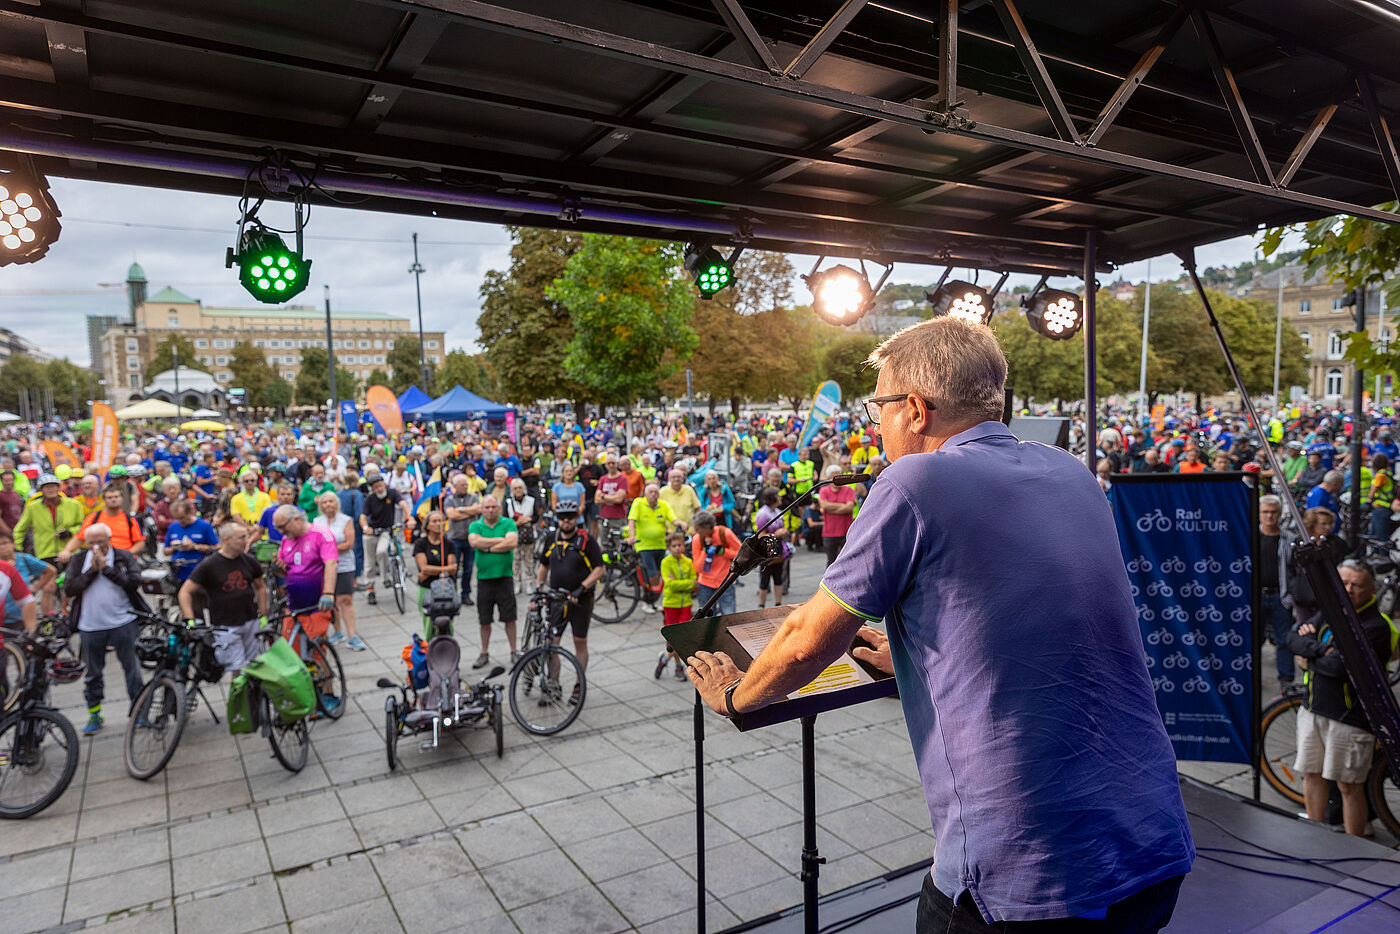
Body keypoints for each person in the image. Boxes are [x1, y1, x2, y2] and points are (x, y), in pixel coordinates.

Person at [685, 318, 1191, 931]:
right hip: (1150, 837)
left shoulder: (914, 480)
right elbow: (1031, 629)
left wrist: (735, 696)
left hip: (1027, 866)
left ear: (916, 410)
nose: (876, 426)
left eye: (878, 409)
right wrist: (908, 662)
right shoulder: (1072, 473)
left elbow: (804, 642)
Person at [1287, 559, 1397, 837]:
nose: (1347, 589)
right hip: (1313, 709)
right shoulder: (1332, 610)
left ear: (1372, 590)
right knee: (1311, 774)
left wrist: (1308, 656)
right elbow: (1291, 639)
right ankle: (1315, 832)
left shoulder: (1375, 625)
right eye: (1343, 582)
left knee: (1348, 786)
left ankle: (1354, 843)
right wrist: (1321, 651)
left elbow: (1338, 668)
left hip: (1350, 718)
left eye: (1356, 585)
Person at [62, 522, 150, 735]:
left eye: (100, 542)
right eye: (90, 543)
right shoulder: (79, 560)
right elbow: (69, 588)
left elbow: (133, 583)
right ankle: (94, 713)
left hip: (123, 622)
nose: (95, 547)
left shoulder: (122, 557)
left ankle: (138, 711)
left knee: (132, 669)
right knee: (93, 672)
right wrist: (92, 571)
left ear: (108, 541)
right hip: (90, 626)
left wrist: (107, 570)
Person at [179, 521, 268, 675]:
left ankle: (252, 698)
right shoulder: (209, 565)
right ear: (227, 539)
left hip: (250, 622)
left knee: (252, 667)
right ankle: (238, 699)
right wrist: (189, 619)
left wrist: (263, 613)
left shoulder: (249, 561)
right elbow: (185, 592)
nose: (246, 541)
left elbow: (260, 586)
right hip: (226, 626)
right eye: (241, 538)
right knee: (238, 669)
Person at [536, 502, 604, 679]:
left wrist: (581, 588)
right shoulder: (552, 538)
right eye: (562, 517)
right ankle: (554, 683)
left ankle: (579, 683)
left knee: (579, 642)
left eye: (570, 517)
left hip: (581, 600)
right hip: (557, 599)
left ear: (577, 518)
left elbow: (600, 569)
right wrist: (538, 588)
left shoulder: (587, 539)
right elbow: (543, 565)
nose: (566, 521)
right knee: (552, 643)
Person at [468, 495, 518, 667]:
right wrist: (499, 542)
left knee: (509, 618)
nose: (490, 510)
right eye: (487, 507)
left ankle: (513, 650)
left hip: (504, 577)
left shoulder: (508, 523)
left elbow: (512, 542)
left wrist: (486, 547)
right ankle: (484, 652)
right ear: (482, 509)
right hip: (484, 579)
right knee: (484, 620)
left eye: (493, 507)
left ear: (499, 508)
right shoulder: (475, 525)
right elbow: (474, 542)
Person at [314, 492, 363, 651]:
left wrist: (328, 550)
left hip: (344, 565)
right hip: (325, 567)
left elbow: (349, 544)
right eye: (325, 502)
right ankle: (337, 631)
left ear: (336, 503)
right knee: (332, 600)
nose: (328, 504)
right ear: (321, 506)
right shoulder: (317, 522)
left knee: (346, 600)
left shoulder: (345, 520)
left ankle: (353, 635)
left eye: (331, 501)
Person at [272, 505, 338, 615]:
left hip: (317, 603)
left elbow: (331, 564)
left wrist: (328, 593)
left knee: (315, 632)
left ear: (296, 520)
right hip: (294, 603)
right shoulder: (286, 539)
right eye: (277, 528)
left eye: (282, 527)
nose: (280, 531)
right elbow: (284, 572)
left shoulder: (320, 534)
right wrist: (277, 568)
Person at [360, 473, 412, 606]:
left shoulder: (392, 493)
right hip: (372, 532)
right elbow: (363, 516)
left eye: (380, 485)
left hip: (386, 530)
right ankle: (370, 589)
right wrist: (366, 527)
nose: (379, 489)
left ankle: (386, 577)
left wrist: (409, 517)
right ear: (372, 488)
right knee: (369, 563)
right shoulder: (370, 499)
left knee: (382, 551)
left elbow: (403, 504)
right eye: (376, 487)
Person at [627, 481, 679, 613]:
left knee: (659, 574)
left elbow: (673, 518)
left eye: (656, 492)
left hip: (660, 545)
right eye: (651, 492)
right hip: (644, 545)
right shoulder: (639, 503)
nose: (654, 495)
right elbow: (632, 521)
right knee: (651, 574)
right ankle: (648, 601)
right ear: (645, 494)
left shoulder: (663, 505)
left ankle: (653, 601)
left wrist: (682, 524)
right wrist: (632, 536)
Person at [1258, 495, 1292, 687]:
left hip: (1281, 596)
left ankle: (1286, 680)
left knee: (1284, 639)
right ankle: (1252, 678)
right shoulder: (1250, 536)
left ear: (1279, 514)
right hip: (1257, 597)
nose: (1269, 516)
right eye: (1265, 512)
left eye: (1273, 512)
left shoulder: (1288, 539)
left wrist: (1292, 594)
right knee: (1255, 640)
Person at [654, 529, 695, 681]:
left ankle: (665, 659)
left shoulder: (688, 561)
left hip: (686, 604)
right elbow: (670, 585)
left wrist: (680, 583)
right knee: (673, 638)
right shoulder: (665, 562)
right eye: (674, 546)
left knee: (682, 638)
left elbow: (694, 584)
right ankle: (678, 667)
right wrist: (686, 583)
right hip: (671, 604)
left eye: (680, 545)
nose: (678, 548)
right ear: (669, 548)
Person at [413, 510, 458, 633]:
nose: (439, 524)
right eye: (435, 521)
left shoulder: (449, 544)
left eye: (441, 521)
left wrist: (430, 571)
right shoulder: (420, 544)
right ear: (427, 525)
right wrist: (444, 569)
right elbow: (424, 568)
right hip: (427, 588)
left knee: (448, 624)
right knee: (429, 626)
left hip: (447, 588)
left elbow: (453, 569)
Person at [690, 510, 741, 618]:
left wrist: (724, 552)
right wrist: (705, 550)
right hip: (705, 583)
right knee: (706, 618)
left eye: (698, 528)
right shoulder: (697, 539)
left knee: (729, 615)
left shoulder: (724, 533)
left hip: (726, 581)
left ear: (708, 526)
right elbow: (697, 568)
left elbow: (741, 554)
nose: (695, 531)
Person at [443, 473, 482, 607]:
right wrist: (469, 512)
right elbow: (451, 515)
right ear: (455, 486)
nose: (465, 487)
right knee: (453, 568)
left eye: (466, 484)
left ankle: (465, 594)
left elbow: (478, 509)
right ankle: (452, 594)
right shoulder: (449, 500)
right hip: (455, 538)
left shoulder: (473, 497)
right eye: (462, 485)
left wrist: (459, 510)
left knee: (468, 568)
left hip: (470, 538)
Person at [0, 529, 51, 628]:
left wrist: (36, 588)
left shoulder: (24, 559)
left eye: (5, 543)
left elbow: (50, 571)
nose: (2, 547)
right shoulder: (3, 568)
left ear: (13, 544)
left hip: (21, 617)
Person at [163, 498, 218, 582]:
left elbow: (216, 548)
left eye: (182, 518)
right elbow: (165, 551)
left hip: (198, 571)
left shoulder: (204, 526)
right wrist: (175, 548)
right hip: (178, 572)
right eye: (176, 518)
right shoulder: (173, 526)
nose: (180, 521)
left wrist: (195, 546)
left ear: (190, 513)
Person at [752, 487, 789, 608]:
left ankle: (778, 604)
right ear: (772, 498)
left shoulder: (777, 511)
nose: (780, 498)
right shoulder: (763, 514)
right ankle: (761, 605)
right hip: (767, 551)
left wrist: (783, 531)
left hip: (778, 549)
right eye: (778, 496)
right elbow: (760, 535)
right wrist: (775, 534)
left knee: (778, 576)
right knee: (765, 578)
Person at [816, 464, 857, 565]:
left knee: (847, 561)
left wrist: (831, 507)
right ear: (829, 478)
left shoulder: (849, 490)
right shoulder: (824, 490)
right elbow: (824, 506)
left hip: (846, 530)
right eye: (833, 477)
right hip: (829, 532)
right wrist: (842, 506)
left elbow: (849, 508)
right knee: (831, 561)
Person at [505, 478, 537, 590]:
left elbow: (536, 517)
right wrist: (516, 523)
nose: (518, 490)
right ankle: (516, 582)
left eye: (520, 488)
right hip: (514, 534)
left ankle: (529, 582)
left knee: (529, 559)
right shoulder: (508, 502)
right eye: (515, 488)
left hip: (528, 533)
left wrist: (528, 519)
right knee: (515, 559)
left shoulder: (531, 500)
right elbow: (505, 519)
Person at [596, 456, 629, 546]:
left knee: (619, 544)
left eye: (613, 463)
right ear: (606, 465)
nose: (611, 465)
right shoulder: (603, 479)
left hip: (619, 517)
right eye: (609, 463)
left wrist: (603, 496)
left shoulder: (622, 479)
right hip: (604, 517)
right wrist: (613, 497)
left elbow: (619, 499)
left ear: (617, 464)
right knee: (604, 544)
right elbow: (597, 499)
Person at [658, 467, 701, 532]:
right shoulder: (662, 491)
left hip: (688, 530)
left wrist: (695, 527)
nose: (676, 479)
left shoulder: (689, 490)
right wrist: (663, 527)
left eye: (678, 477)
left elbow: (697, 508)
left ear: (683, 478)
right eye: (673, 477)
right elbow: (657, 511)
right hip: (669, 531)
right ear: (669, 479)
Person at [1367, 453, 1394, 541]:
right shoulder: (1388, 473)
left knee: (1379, 535)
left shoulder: (1380, 476)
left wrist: (1369, 499)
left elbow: (1371, 494)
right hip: (1386, 507)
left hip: (1380, 507)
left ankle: (1381, 554)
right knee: (1379, 533)